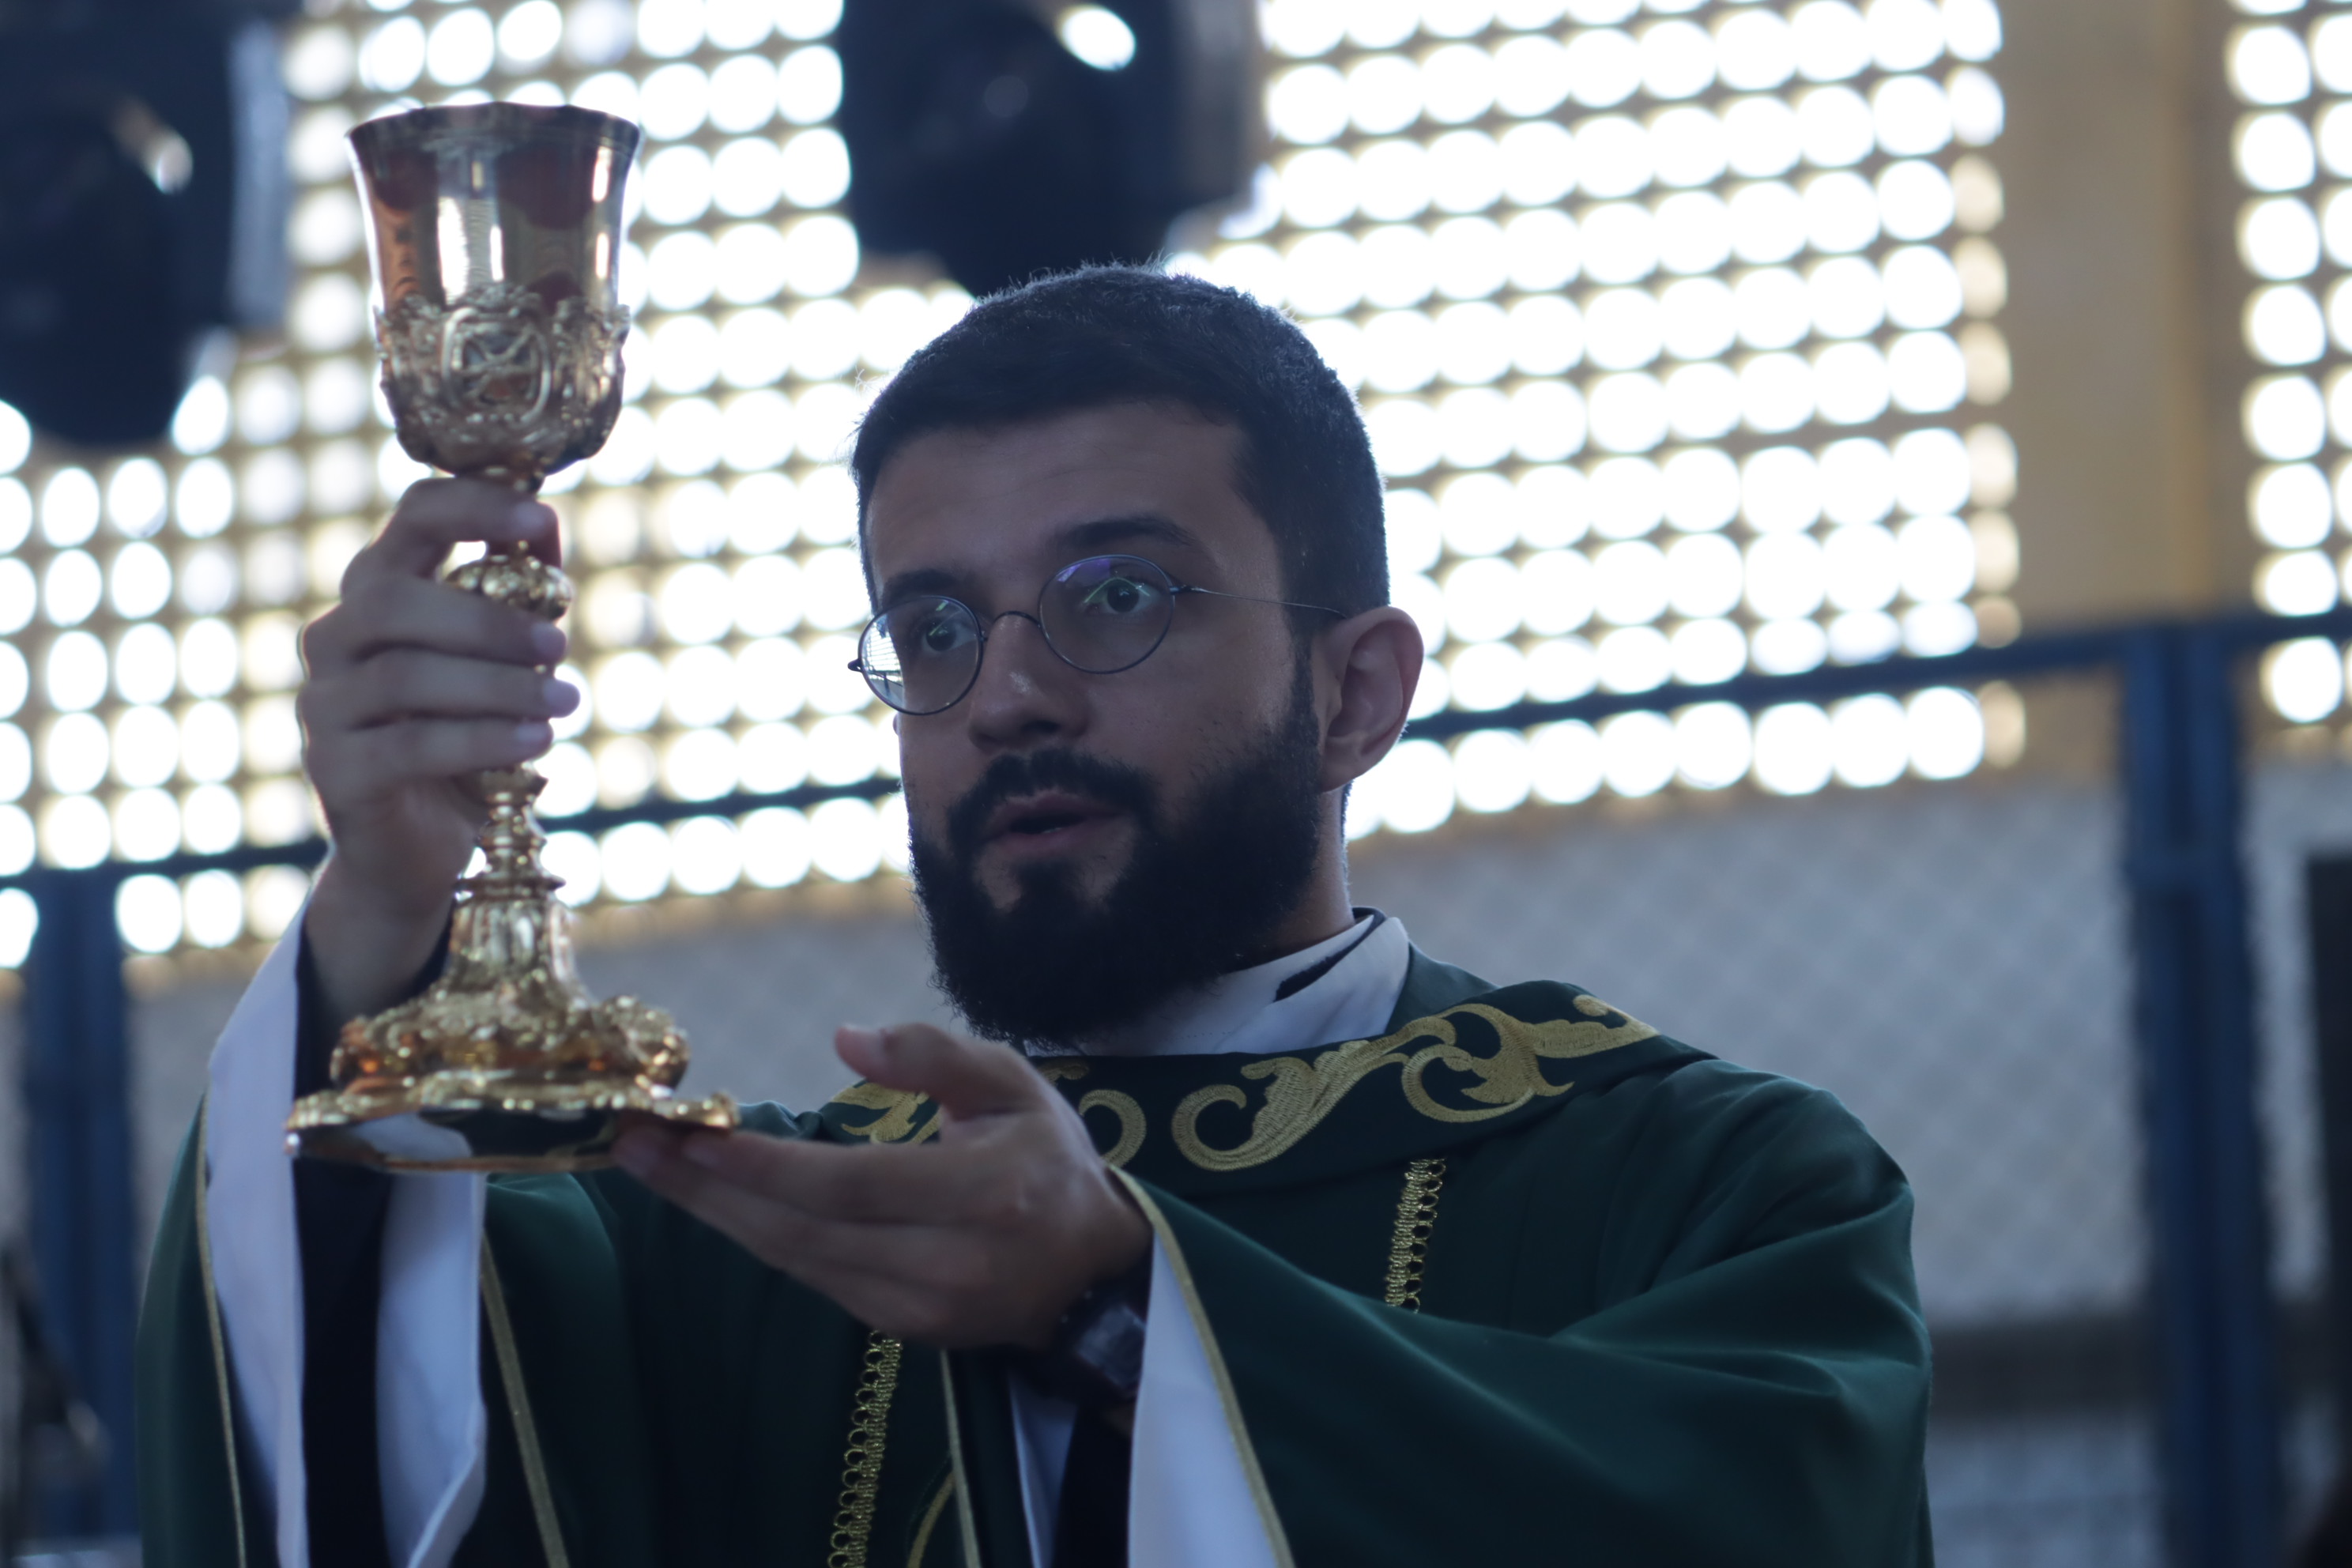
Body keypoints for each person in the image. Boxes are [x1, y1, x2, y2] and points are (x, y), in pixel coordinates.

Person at [137, 267, 1932, 1568]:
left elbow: (1758, 1513)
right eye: (931, 628)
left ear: (1355, 693)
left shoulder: (1704, 1183)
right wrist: (385, 903)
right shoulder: (760, 1237)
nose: (1004, 696)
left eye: (1117, 595)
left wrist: (1125, 1308)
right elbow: (343, 1424)